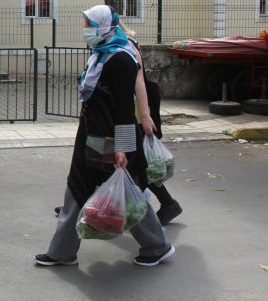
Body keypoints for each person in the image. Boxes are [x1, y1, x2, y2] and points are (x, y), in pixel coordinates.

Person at [35, 5, 174, 267]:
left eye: (89, 24)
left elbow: (123, 107)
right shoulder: (99, 55)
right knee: (77, 187)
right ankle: (62, 252)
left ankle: (157, 246)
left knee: (127, 191)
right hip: (91, 134)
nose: (85, 30)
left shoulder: (120, 59)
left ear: (104, 25)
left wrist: (123, 148)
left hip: (112, 139)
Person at [54, 25, 182, 226]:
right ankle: (83, 203)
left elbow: (139, 82)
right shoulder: (105, 47)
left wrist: (145, 116)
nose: (86, 29)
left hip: (131, 116)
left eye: (91, 24)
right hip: (123, 116)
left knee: (132, 167)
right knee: (122, 167)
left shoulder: (125, 48)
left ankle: (161, 209)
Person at [125, 27, 183, 226]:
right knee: (131, 165)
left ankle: (165, 205)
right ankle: (78, 204)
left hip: (134, 113)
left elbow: (137, 80)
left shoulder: (126, 43)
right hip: (132, 112)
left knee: (137, 166)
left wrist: (145, 116)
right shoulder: (119, 41)